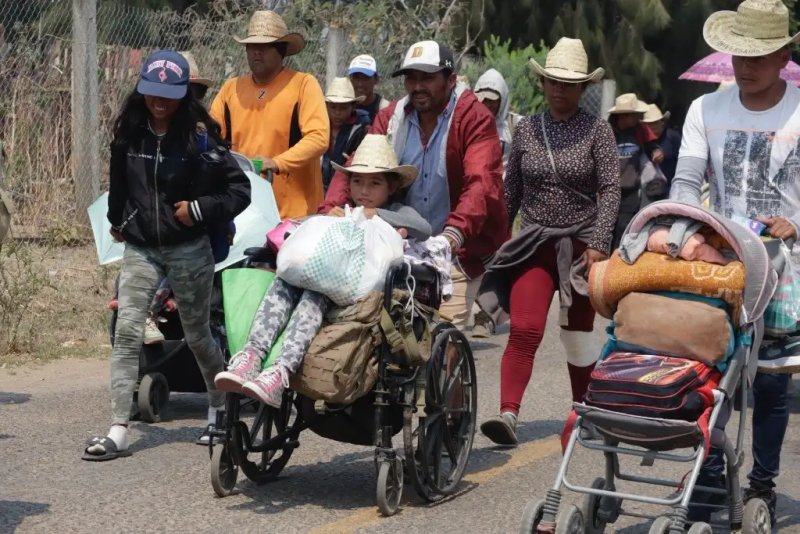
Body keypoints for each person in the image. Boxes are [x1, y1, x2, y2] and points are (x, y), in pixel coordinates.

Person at [82, 50, 251, 461]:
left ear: (183, 94)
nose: (160, 101)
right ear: (142, 91)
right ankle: (118, 428)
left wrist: (196, 210)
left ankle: (217, 408)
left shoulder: (199, 139)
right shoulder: (129, 136)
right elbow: (119, 185)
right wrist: (117, 218)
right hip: (141, 248)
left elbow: (238, 191)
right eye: (152, 93)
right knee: (126, 333)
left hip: (188, 250)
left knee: (197, 335)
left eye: (169, 94)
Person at [670, 0, 800, 524]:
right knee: (708, 374)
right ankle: (706, 476)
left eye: (760, 55)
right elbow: (685, 182)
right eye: (739, 53)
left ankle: (762, 484)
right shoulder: (706, 110)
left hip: (785, 269)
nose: (746, 65)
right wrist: (681, 230)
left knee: (770, 382)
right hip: (720, 265)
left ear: (784, 54)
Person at [214, 135, 431, 406]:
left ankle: (280, 371)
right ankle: (251, 357)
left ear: (392, 186)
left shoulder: (397, 211)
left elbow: (423, 227)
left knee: (313, 297)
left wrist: (376, 216)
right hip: (323, 278)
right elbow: (307, 227)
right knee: (284, 282)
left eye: (374, 183)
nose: (364, 190)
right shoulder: (342, 212)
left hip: (357, 294)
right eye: (357, 182)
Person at [477, 37, 620, 446]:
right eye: (554, 81)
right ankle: (508, 413)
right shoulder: (525, 130)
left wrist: (598, 243)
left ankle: (585, 412)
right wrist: (496, 238)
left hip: (579, 247)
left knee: (577, 334)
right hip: (534, 243)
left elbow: (610, 189)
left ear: (583, 89)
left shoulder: (598, 131)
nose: (560, 89)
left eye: (570, 84)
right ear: (543, 83)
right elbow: (512, 190)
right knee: (524, 328)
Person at [323, 40, 507, 329]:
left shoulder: (473, 118)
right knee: (391, 340)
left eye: (427, 78)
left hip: (458, 250)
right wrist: (330, 211)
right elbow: (357, 166)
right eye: (411, 77)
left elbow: (481, 182)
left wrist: (451, 237)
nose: (417, 86)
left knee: (442, 340)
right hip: (401, 245)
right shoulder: (391, 119)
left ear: (451, 80)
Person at [210, 10, 329, 219]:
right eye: (252, 46)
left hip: (294, 211)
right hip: (244, 208)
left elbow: (319, 138)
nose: (256, 52)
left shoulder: (303, 84)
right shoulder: (231, 89)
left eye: (264, 46)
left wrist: (277, 163)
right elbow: (211, 136)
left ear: (281, 50)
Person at [471, 68, 522, 337]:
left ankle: (485, 313)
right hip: (474, 199)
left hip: (502, 203)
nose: (488, 105)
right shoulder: (467, 124)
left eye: (494, 100)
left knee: (498, 256)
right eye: (484, 99)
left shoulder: (513, 128)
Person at [608, 93, 665, 249]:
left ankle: (619, 257)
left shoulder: (640, 130)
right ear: (623, 116)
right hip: (608, 189)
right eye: (634, 116)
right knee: (607, 227)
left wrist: (656, 152)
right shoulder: (607, 131)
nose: (637, 119)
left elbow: (652, 146)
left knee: (625, 226)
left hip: (630, 188)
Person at [321, 77, 370, 192]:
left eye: (343, 108)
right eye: (333, 107)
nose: (337, 113)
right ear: (326, 106)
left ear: (353, 107)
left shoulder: (362, 129)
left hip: (346, 187)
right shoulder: (318, 125)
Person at [642, 103, 681, 183]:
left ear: (662, 122)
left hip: (672, 187)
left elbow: (684, 162)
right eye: (649, 123)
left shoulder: (673, 137)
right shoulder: (642, 141)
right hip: (648, 189)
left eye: (656, 122)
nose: (653, 126)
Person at [348, 54, 390, 123]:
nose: (360, 84)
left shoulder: (383, 108)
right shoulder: (344, 106)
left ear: (376, 80)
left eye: (365, 78)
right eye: (356, 78)